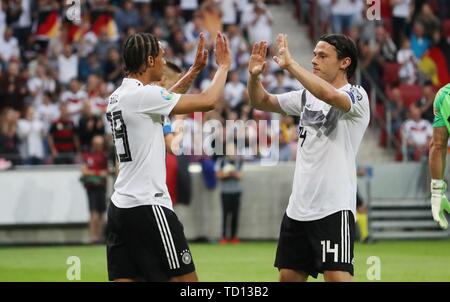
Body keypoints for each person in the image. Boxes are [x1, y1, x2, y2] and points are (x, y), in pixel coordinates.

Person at [106, 31, 231, 282]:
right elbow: (208, 101)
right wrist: (224, 66)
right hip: (149, 205)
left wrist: (194, 71)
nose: (165, 61)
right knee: (188, 284)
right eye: (162, 56)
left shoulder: (118, 97)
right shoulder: (144, 96)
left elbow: (163, 101)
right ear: (150, 61)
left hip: (120, 207)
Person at [247, 33, 369, 282]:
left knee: (337, 278)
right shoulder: (305, 96)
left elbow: (331, 97)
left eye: (322, 56)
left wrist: (291, 64)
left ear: (344, 62)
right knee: (288, 278)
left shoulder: (357, 95)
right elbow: (260, 100)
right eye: (314, 54)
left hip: (333, 207)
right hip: (298, 208)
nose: (315, 60)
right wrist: (254, 77)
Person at [428, 83, 450, 230]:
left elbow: (438, 146)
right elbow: (437, 146)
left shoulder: (444, 95)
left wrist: (437, 192)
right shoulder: (444, 96)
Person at [81, 135, 108, 244]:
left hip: (101, 187)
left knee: (101, 213)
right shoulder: (88, 156)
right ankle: (93, 236)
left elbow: (106, 172)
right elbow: (84, 171)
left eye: (100, 144)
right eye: (97, 144)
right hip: (91, 187)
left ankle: (100, 236)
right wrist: (98, 173)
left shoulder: (104, 156)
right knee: (94, 213)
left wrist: (94, 173)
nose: (99, 146)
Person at [216, 142, 244, 244]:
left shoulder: (239, 162)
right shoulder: (222, 161)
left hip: (236, 192)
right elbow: (218, 175)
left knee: (235, 214)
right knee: (225, 214)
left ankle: (233, 237)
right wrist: (226, 174)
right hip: (225, 192)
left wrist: (233, 173)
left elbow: (241, 175)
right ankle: (223, 236)